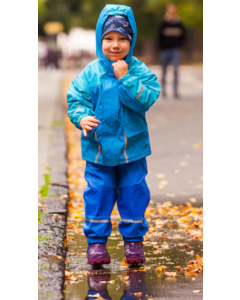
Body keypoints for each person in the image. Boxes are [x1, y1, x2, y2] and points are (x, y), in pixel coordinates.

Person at [67, 4, 161, 265]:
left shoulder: (139, 71)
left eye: (123, 39)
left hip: (132, 150)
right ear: (100, 40)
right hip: (98, 150)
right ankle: (96, 244)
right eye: (109, 38)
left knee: (134, 193)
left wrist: (126, 78)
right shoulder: (91, 72)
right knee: (98, 194)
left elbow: (145, 100)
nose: (115, 45)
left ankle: (133, 243)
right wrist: (81, 116)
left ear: (131, 41)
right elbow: (77, 98)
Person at [157, 4, 186, 99]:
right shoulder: (163, 23)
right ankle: (164, 90)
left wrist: (180, 46)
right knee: (164, 71)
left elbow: (184, 36)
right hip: (165, 50)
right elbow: (158, 38)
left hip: (175, 50)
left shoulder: (179, 24)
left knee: (176, 71)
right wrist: (161, 48)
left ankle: (175, 91)